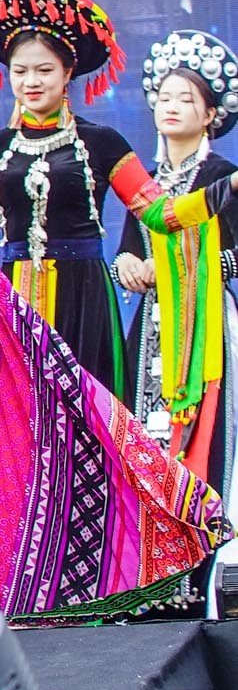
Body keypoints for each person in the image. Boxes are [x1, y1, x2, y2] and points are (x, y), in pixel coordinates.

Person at [0, 0, 233, 399]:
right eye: (20, 71)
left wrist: (231, 186)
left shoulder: (103, 143)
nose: (31, 81)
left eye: (44, 70)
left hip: (86, 299)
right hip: (14, 300)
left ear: (68, 74)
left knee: (90, 419)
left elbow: (160, 215)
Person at [118, 31, 238, 486]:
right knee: (144, 434)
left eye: (185, 100)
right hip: (152, 323)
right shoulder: (143, 182)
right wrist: (125, 266)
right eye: (164, 97)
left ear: (209, 114)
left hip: (206, 322)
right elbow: (128, 248)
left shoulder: (222, 176)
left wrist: (196, 268)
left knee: (207, 432)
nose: (170, 106)